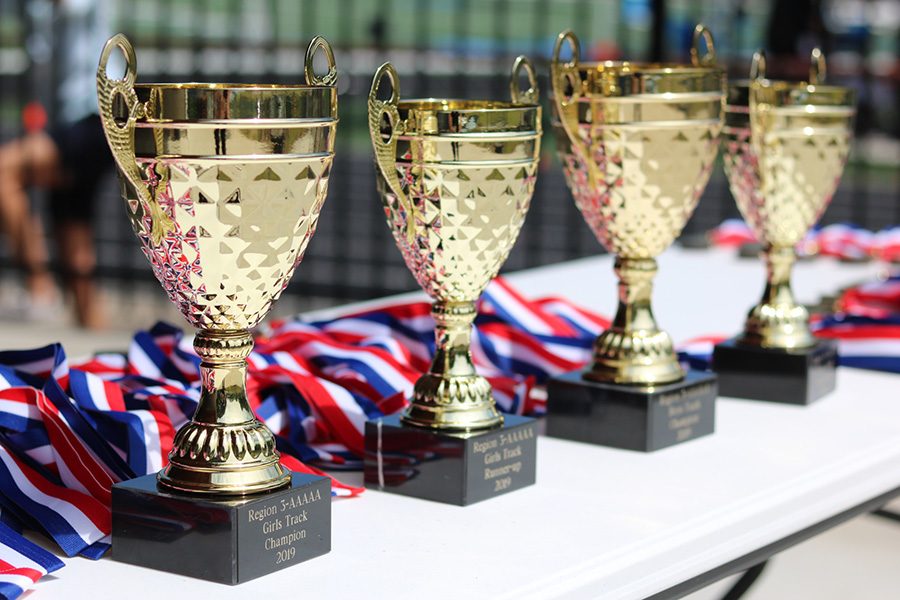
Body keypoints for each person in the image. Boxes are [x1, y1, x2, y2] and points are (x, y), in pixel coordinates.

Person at [0, 0, 114, 328]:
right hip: (65, 120)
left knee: (5, 170)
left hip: (93, 116)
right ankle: (96, 341)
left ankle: (40, 289)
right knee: (75, 249)